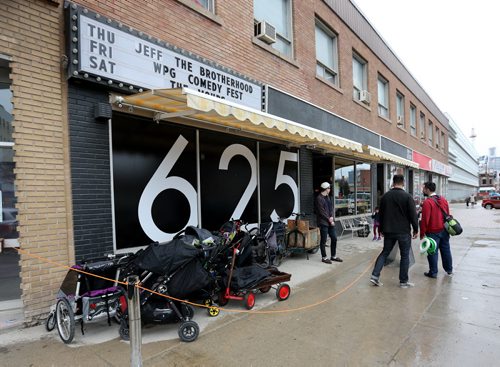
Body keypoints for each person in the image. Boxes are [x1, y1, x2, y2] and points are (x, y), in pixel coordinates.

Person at [369, 174, 418, 288]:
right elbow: (413, 215)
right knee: (405, 256)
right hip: (403, 231)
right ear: (403, 183)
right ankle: (403, 282)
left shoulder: (385, 197)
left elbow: (380, 215)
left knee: (385, 252)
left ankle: (375, 276)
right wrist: (416, 229)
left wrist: (381, 229)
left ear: (393, 182)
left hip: (389, 230)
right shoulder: (407, 197)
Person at [420, 181, 453, 278]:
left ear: (428, 189)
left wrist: (422, 233)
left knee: (432, 251)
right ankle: (449, 269)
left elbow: (425, 219)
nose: (422, 190)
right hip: (444, 230)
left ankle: (433, 272)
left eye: (423, 188)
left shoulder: (427, 202)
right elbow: (447, 213)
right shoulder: (443, 199)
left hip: (433, 231)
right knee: (446, 249)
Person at [315, 182, 343, 264]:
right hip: (323, 222)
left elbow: (330, 208)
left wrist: (331, 217)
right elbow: (321, 212)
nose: (330, 190)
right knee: (323, 241)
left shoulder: (328, 197)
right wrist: (329, 219)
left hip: (330, 221)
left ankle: (333, 256)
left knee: (334, 238)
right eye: (329, 188)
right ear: (325, 189)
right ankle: (324, 257)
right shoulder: (319, 198)